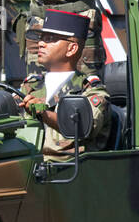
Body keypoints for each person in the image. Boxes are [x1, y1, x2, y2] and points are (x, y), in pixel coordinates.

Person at [19, 9, 110, 160]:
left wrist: (44, 114)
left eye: (50, 39)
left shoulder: (90, 91)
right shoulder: (30, 86)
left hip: (69, 173)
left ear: (71, 48)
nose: (41, 43)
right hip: (24, 167)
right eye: (41, 38)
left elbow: (84, 128)